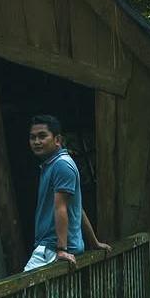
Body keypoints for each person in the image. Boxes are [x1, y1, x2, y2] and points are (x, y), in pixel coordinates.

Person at [23, 115, 111, 271]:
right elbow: (77, 208)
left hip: (51, 249)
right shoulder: (52, 165)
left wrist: (61, 249)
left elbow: (61, 208)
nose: (36, 142)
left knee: (21, 291)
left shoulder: (61, 166)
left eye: (42, 136)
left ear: (57, 140)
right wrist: (94, 242)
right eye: (32, 137)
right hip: (57, 248)